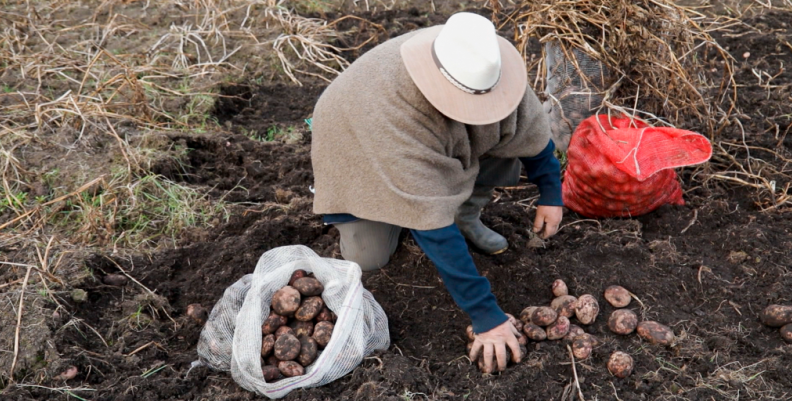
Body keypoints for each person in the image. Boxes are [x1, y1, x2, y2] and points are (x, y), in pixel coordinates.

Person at [309, 12, 563, 373]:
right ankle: (385, 212)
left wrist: (551, 193)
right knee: (370, 257)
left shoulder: (486, 65)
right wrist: (485, 314)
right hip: (357, 141)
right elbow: (431, 226)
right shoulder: (393, 116)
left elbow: (533, 133)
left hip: (423, 156)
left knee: (502, 151)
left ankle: (465, 215)